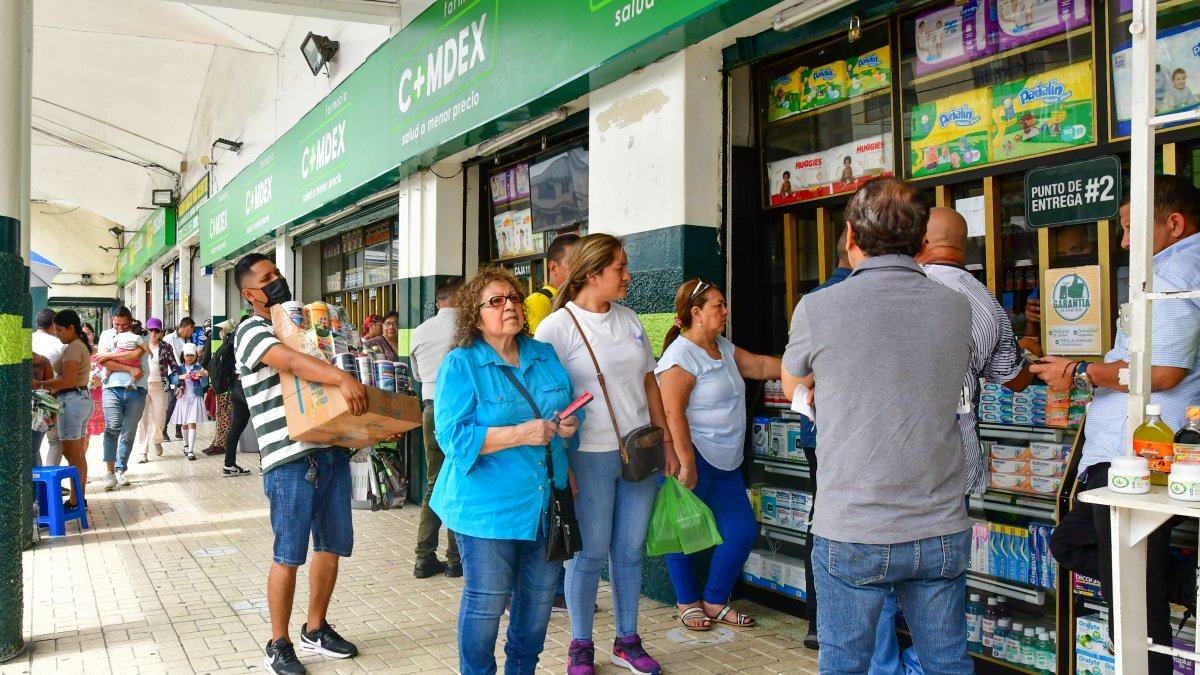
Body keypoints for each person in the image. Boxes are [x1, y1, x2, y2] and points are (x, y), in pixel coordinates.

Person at [782, 177, 973, 672]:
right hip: (939, 524)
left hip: (853, 525)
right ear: (921, 241)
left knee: (845, 663)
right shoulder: (955, 307)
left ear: (850, 237)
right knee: (948, 661)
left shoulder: (819, 307)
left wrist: (811, 397)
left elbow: (792, 376)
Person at [1039, 175, 1200, 675]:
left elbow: (1163, 372)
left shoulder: (1174, 273)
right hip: (1125, 450)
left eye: (1132, 229)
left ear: (1173, 224)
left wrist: (1084, 371)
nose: (1124, 242)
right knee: (1079, 546)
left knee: (1132, 594)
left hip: (1139, 452)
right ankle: (1187, 585)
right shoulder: (1172, 267)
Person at [865, 207, 1036, 672]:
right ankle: (926, 663)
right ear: (966, 247)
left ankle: (882, 666)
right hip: (952, 466)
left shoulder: (895, 292)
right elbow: (1014, 379)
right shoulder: (981, 301)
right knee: (940, 582)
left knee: (875, 573)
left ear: (919, 243)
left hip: (886, 460)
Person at [534, 233, 673, 675]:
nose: (628, 276)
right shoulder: (556, 327)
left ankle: (627, 640)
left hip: (639, 453)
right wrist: (562, 464)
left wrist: (666, 440)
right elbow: (544, 397)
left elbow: (649, 382)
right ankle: (580, 644)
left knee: (631, 551)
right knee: (590, 553)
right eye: (620, 268)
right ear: (593, 274)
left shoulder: (630, 318)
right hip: (587, 458)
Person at [431, 266, 580, 675]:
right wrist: (520, 433)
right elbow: (454, 438)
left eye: (513, 297)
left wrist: (566, 426)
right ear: (474, 316)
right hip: (485, 507)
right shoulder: (462, 364)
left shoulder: (543, 354)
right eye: (495, 301)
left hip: (544, 500)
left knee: (537, 600)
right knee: (487, 599)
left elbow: (561, 414)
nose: (509, 306)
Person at [233, 253, 370, 675]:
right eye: (267, 277)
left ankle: (316, 628)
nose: (277, 281)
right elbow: (290, 363)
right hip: (289, 458)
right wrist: (342, 378)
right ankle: (278, 642)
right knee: (288, 554)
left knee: (331, 547)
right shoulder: (251, 330)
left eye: (278, 273)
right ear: (249, 293)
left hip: (329, 449)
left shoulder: (304, 329)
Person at [656, 279, 781, 632]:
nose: (725, 312)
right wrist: (686, 462)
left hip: (727, 460)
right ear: (696, 313)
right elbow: (672, 413)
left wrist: (802, 370)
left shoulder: (722, 347)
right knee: (684, 531)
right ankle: (686, 602)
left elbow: (756, 366)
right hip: (693, 457)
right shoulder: (679, 357)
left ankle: (714, 601)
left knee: (740, 531)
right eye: (718, 305)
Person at [796, 228, 852, 651]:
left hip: (819, 431)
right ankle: (831, 623)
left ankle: (820, 621)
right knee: (836, 522)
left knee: (824, 519)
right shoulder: (842, 297)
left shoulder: (813, 300)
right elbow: (798, 374)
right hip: (839, 430)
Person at [409, 277, 463, 579]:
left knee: (434, 482)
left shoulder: (419, 331)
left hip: (430, 408)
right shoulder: (470, 327)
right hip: (461, 411)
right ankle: (456, 560)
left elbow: (416, 372)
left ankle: (423, 557)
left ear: (439, 301)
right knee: (461, 480)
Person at [33, 310, 94, 509]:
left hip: (72, 399)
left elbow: (67, 379)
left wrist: (39, 384)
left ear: (71, 328)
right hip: (80, 398)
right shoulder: (76, 345)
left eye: (60, 330)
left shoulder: (74, 348)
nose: (56, 333)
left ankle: (76, 500)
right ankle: (78, 498)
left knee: (71, 452)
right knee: (77, 453)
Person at [95, 307, 150, 490]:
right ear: (112, 320)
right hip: (111, 388)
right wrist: (129, 368)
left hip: (137, 389)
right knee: (112, 428)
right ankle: (109, 473)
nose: (120, 327)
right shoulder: (105, 335)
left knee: (129, 432)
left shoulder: (140, 334)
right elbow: (103, 362)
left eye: (124, 324)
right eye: (117, 324)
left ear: (131, 321)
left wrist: (109, 355)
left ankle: (121, 470)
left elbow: (135, 355)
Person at [132, 318, 177, 464]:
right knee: (141, 419)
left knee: (159, 417)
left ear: (161, 332)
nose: (153, 333)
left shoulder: (165, 347)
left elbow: (174, 365)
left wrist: (179, 382)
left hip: (159, 386)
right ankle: (142, 451)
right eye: (150, 330)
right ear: (146, 329)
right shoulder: (139, 345)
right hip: (141, 385)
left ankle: (157, 439)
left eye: (156, 331)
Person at [524, 233, 580, 334]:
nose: (582, 269)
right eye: (575, 264)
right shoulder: (538, 302)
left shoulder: (582, 299)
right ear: (553, 267)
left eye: (585, 263)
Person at [32, 308, 65, 466]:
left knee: (32, 447)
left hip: (29, 402)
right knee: (55, 441)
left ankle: (39, 482)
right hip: (47, 400)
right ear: (53, 325)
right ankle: (50, 483)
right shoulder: (59, 343)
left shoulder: (27, 340)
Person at [169, 343, 209, 460]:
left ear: (196, 356)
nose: (190, 358)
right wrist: (182, 377)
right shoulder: (180, 368)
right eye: (187, 355)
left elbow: (205, 384)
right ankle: (186, 444)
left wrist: (201, 376)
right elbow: (171, 378)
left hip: (195, 398)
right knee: (184, 424)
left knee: (192, 423)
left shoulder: (199, 368)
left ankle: (191, 450)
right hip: (183, 398)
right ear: (183, 356)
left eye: (192, 355)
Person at [163, 317, 197, 441]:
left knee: (183, 403)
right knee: (172, 403)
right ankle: (163, 429)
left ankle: (179, 430)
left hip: (187, 375)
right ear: (189, 327)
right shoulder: (169, 339)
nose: (192, 333)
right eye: (192, 330)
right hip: (175, 376)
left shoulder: (187, 340)